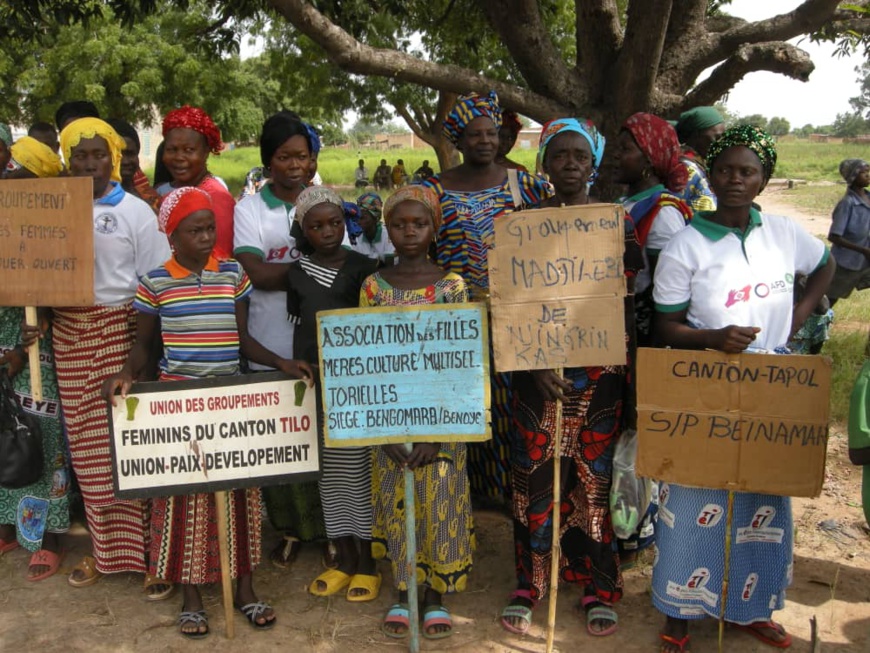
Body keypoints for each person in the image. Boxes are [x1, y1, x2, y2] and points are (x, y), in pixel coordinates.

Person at [652, 125, 835, 653]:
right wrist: (714, 337)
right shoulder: (686, 243)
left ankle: (749, 608)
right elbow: (664, 328)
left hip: (772, 384)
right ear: (710, 173)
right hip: (706, 380)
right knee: (693, 497)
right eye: (726, 169)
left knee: (763, 499)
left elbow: (826, 265)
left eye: (747, 171)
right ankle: (680, 612)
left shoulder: (783, 233)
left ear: (763, 179)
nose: (735, 179)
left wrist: (796, 319)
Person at [103, 187, 313, 638]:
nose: (204, 237)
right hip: (178, 402)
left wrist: (280, 363)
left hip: (229, 400)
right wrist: (125, 373)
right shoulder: (155, 282)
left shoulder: (232, 274)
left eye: (209, 228)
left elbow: (242, 339)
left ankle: (245, 590)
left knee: (239, 496)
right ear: (171, 236)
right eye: (193, 230)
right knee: (183, 500)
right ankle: (192, 597)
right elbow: (145, 345)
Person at [501, 118, 641, 638]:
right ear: (544, 163)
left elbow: (626, 302)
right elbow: (509, 305)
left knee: (592, 479)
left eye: (579, 155)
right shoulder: (520, 223)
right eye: (559, 155)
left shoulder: (614, 222)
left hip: (599, 373)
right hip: (533, 371)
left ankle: (596, 585)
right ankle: (531, 582)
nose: (569, 164)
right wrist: (532, 362)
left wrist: (619, 372)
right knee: (535, 475)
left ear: (593, 163)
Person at [47, 118, 172, 593]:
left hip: (120, 334)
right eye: (79, 156)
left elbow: (155, 284)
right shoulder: (53, 209)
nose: (89, 163)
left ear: (113, 158)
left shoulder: (136, 212)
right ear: (67, 160)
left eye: (98, 154)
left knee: (133, 446)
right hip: (69, 333)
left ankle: (150, 557)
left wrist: (139, 354)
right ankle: (105, 553)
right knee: (89, 452)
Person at [425, 91, 552, 502]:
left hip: (513, 313)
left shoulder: (527, 186)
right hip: (456, 315)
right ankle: (470, 489)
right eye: (474, 134)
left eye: (491, 133)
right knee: (465, 396)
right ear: (457, 141)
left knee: (511, 398)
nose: (484, 140)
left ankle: (507, 490)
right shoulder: (433, 191)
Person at [363, 185, 474, 640]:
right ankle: (403, 590)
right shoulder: (373, 286)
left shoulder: (452, 286)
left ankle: (435, 597)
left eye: (419, 223)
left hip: (442, 424)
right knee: (396, 500)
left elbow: (463, 359)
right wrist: (386, 433)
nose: (409, 231)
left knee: (439, 499)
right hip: (390, 420)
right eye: (399, 224)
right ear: (387, 229)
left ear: (435, 228)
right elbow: (364, 358)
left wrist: (437, 434)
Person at [233, 112, 329, 570]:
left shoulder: (322, 198)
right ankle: (290, 529)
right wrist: (312, 272)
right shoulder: (250, 209)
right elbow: (255, 274)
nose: (295, 165)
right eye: (284, 157)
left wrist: (293, 274)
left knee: (323, 438)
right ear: (268, 161)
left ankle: (332, 530)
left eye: (302, 156)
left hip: (319, 337)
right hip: (269, 339)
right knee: (278, 439)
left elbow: (343, 259)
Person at [286, 187, 380, 602]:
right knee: (329, 475)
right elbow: (299, 326)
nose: (327, 231)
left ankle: (368, 562)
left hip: (356, 388)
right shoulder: (297, 272)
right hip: (317, 387)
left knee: (359, 474)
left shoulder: (365, 269)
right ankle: (341, 558)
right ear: (303, 230)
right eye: (316, 225)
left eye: (335, 223)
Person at [0, 137, 70, 582]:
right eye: (7, 167)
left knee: (38, 430)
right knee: (3, 428)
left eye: (18, 169)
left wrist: (39, 319)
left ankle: (48, 536)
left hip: (34, 343)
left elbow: (65, 280)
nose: (9, 175)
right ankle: (7, 524)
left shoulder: (56, 224)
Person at [614, 112, 692, 349]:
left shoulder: (664, 213)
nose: (616, 155)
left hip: (642, 333)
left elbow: (666, 286)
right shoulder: (629, 202)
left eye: (625, 149)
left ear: (648, 159)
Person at [157, 105, 235, 259]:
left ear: (206, 152)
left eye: (189, 150)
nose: (179, 157)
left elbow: (219, 262)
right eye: (172, 149)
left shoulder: (215, 198)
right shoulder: (170, 192)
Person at [826, 158, 870, 305]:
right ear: (852, 177)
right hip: (845, 262)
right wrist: (863, 250)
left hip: (865, 261)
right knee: (829, 299)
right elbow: (834, 236)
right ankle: (814, 324)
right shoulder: (847, 203)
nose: (868, 175)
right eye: (863, 173)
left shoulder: (868, 198)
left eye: (868, 172)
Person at [675, 106, 725, 212]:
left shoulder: (700, 164)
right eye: (717, 137)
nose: (721, 143)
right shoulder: (686, 169)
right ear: (697, 135)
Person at [106, 118, 160, 211]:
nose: (125, 161)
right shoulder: (93, 200)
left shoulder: (153, 198)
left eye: (131, 154)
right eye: (118, 155)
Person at [352, 192, 395, 265]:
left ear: (375, 218)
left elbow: (390, 266)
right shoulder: (356, 237)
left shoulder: (389, 236)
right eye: (357, 217)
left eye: (363, 218)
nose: (358, 221)